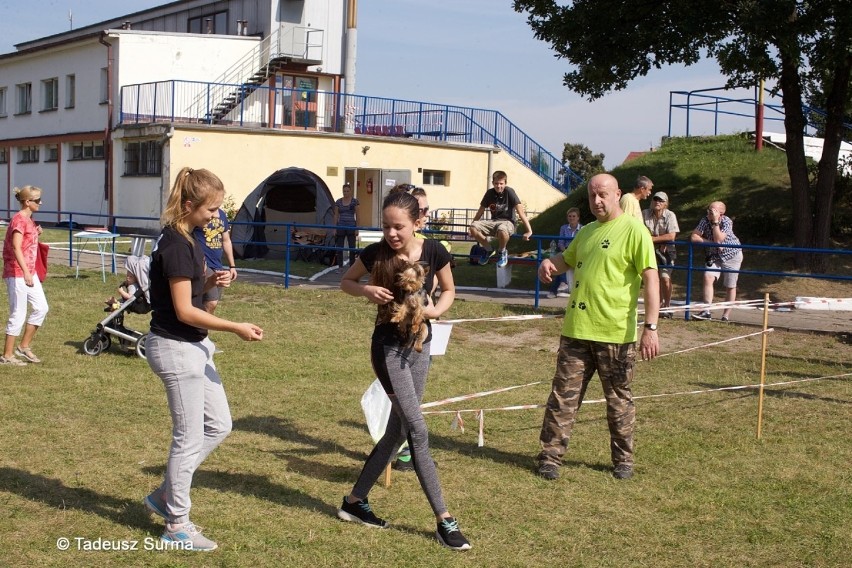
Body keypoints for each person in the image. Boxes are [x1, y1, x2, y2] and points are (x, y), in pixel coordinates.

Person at [338, 191, 471, 551]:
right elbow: (346, 282)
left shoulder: (434, 251)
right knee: (417, 430)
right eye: (386, 226)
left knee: (396, 432)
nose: (392, 233)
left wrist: (433, 313)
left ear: (417, 223)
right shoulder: (376, 253)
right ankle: (445, 520)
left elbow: (448, 290)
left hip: (420, 347)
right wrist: (366, 291)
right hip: (388, 352)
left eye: (399, 226)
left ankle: (353, 503)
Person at [143, 167, 263, 551]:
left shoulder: (190, 239)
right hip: (176, 349)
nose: (215, 216)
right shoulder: (176, 245)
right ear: (189, 204)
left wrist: (211, 281)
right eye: (211, 209)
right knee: (188, 437)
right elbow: (184, 311)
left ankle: (166, 495)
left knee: (220, 425)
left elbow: (190, 291)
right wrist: (236, 327)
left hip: (194, 347)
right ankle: (176, 524)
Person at [536, 173, 660, 481]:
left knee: (619, 400)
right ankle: (550, 457)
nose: (597, 201)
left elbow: (651, 280)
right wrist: (549, 264)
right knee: (562, 398)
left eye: (603, 194)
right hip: (576, 331)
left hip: (615, 334)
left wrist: (651, 327)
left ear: (618, 194)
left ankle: (623, 460)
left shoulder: (635, 231)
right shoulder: (587, 231)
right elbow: (566, 260)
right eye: (592, 196)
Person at [1, 186, 49, 366]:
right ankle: (7, 355)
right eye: (37, 200)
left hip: (29, 272)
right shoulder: (19, 220)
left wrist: (35, 233)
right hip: (17, 273)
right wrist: (26, 273)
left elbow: (26, 243)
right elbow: (15, 247)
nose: (41, 203)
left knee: (41, 308)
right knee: (18, 313)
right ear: (27, 202)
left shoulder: (28, 220)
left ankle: (23, 346)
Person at [690, 201, 742, 322]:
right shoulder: (704, 220)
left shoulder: (727, 221)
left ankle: (726, 316)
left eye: (713, 211)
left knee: (730, 286)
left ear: (721, 213)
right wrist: (712, 243)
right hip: (714, 255)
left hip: (731, 255)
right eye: (709, 210)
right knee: (707, 277)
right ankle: (706, 311)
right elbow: (694, 237)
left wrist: (715, 222)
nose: (709, 213)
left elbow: (719, 238)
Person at [469, 170, 533, 269]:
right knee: (473, 227)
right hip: (494, 222)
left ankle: (502, 251)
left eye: (501, 184)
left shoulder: (509, 192)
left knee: (502, 229)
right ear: (493, 183)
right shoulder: (489, 193)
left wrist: (529, 231)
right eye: (496, 183)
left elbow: (521, 212)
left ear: (505, 183)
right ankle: (488, 249)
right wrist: (471, 230)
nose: (499, 186)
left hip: (508, 223)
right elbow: (480, 212)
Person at [642, 192, 680, 318]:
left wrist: (652, 239)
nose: (658, 202)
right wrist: (660, 239)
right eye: (655, 199)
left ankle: (667, 306)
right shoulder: (644, 213)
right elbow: (640, 232)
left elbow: (671, 235)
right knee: (652, 279)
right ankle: (656, 306)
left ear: (666, 203)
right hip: (649, 251)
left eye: (661, 200)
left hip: (666, 251)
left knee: (665, 278)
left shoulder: (670, 215)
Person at [193, 208, 237, 314]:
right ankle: (200, 328)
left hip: (217, 264)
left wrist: (232, 266)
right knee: (211, 301)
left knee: (207, 302)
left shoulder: (221, 214)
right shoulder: (201, 212)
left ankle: (197, 327)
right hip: (204, 263)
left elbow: (226, 241)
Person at [547, 207, 582, 299]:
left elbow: (582, 242)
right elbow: (561, 242)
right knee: (561, 261)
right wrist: (565, 251)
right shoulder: (563, 228)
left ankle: (554, 290)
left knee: (565, 261)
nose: (571, 218)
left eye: (574, 216)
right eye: (569, 216)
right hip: (566, 250)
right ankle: (562, 284)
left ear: (578, 217)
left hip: (578, 251)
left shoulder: (583, 228)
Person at [333, 182, 359, 273]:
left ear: (350, 191)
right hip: (340, 226)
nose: (346, 193)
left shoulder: (354, 201)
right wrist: (334, 228)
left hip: (351, 226)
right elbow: (336, 215)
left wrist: (357, 228)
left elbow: (358, 215)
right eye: (344, 191)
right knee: (339, 248)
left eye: (347, 191)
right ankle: (340, 267)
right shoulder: (338, 202)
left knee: (352, 248)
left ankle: (352, 267)